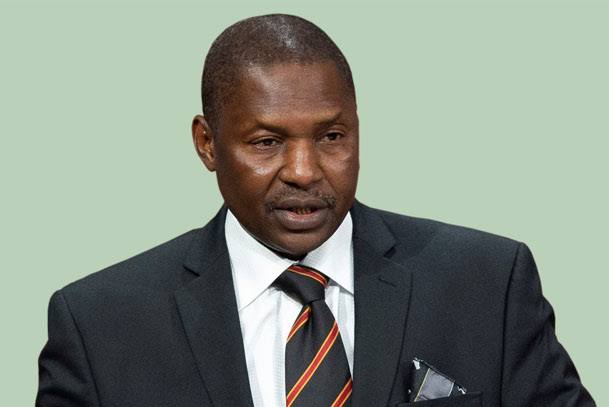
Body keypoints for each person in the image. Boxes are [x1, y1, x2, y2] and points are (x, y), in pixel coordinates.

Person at [36, 14, 595, 407]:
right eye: (266, 142)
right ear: (207, 144)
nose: (304, 171)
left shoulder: (488, 284)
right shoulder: (100, 325)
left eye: (331, 136)